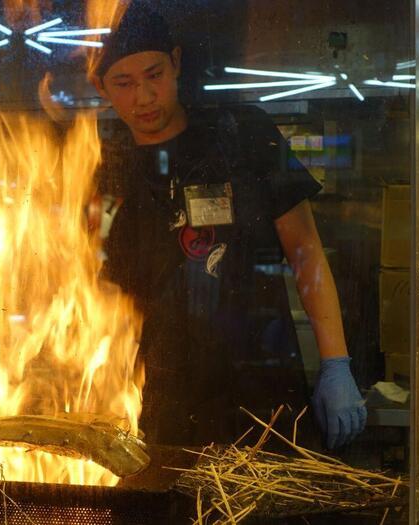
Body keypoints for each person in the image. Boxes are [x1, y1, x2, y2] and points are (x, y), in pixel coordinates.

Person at [92, 2, 366, 449]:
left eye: (154, 75)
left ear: (176, 62)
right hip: (161, 407)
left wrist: (336, 363)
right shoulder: (106, 169)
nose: (142, 97)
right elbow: (101, 297)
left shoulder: (243, 132)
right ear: (103, 87)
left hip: (262, 388)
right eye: (124, 83)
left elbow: (306, 250)